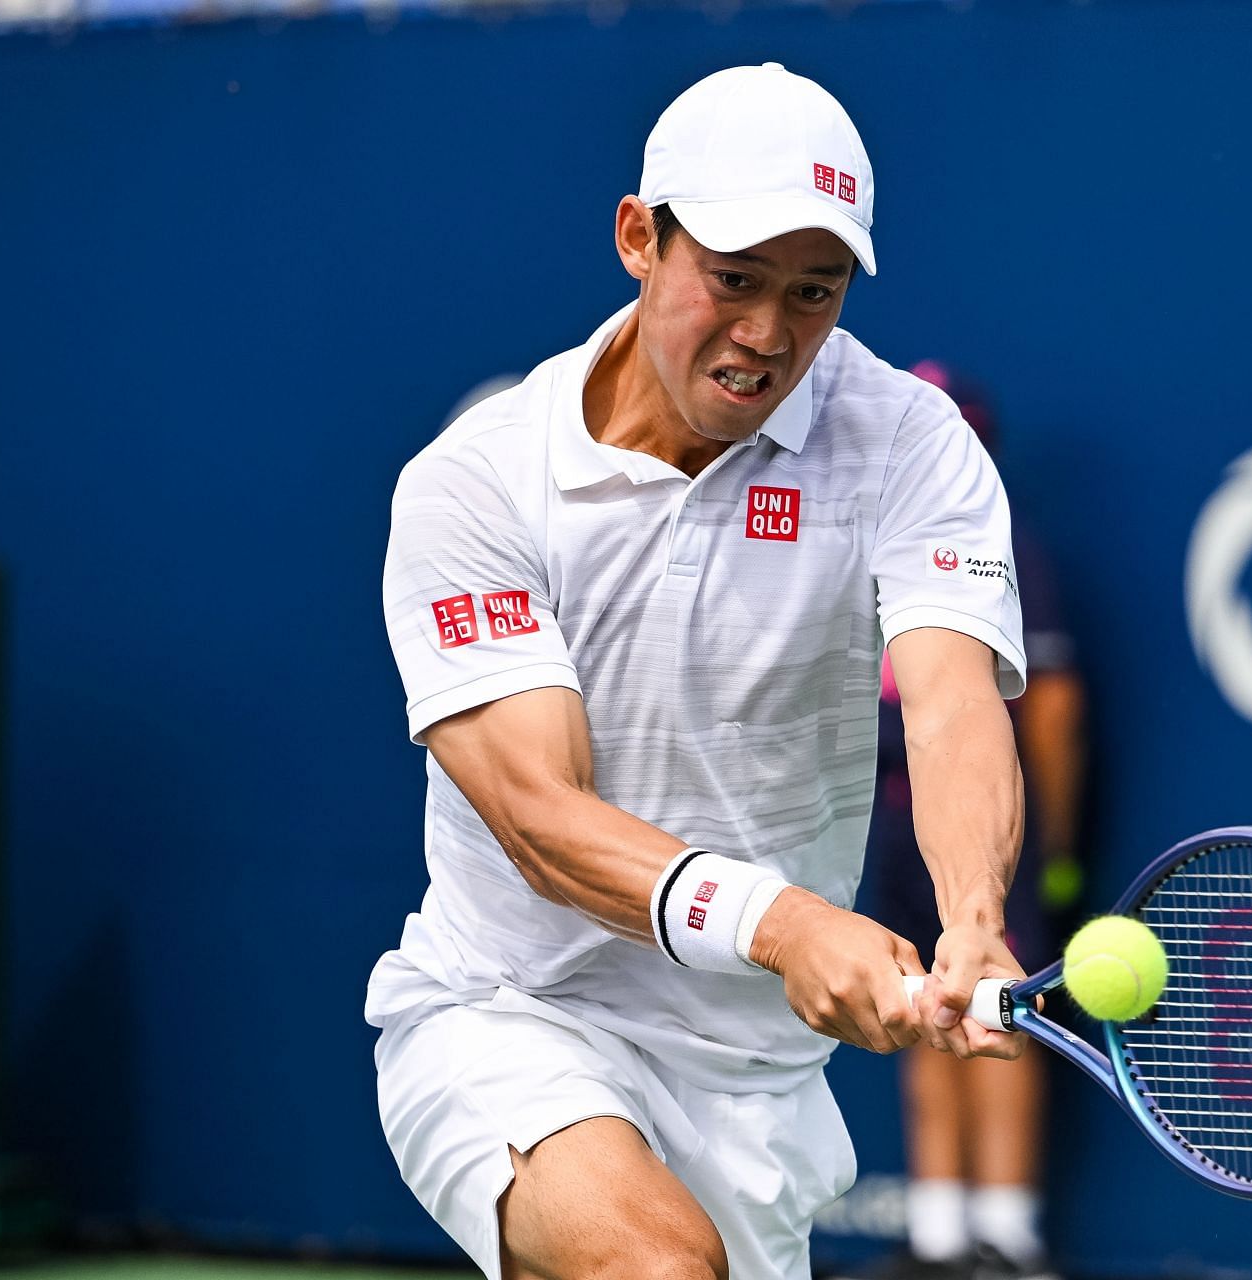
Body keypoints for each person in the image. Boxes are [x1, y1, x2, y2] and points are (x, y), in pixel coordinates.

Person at [365, 64, 1034, 1280]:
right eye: (733, 278)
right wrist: (783, 924)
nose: (769, 333)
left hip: (754, 1081)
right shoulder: (474, 483)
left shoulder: (909, 444)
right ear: (638, 237)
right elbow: (538, 818)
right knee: (662, 1268)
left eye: (812, 292)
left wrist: (973, 919)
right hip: (513, 1009)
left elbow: (948, 702)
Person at [838, 367, 1086, 1280]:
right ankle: (940, 1236)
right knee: (924, 1001)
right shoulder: (862, 534)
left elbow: (1050, 705)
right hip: (898, 821)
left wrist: (1049, 845)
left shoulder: (1002, 537)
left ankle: (1009, 1238)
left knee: (1002, 1009)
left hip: (986, 827)